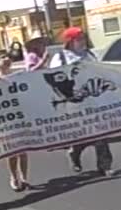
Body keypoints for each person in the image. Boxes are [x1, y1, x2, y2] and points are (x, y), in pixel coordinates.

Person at [49, 27, 115, 176]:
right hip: (74, 103)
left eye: (83, 38)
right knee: (81, 133)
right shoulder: (60, 57)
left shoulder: (90, 55)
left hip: (93, 99)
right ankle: (75, 153)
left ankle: (105, 165)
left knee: (101, 133)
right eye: (79, 39)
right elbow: (55, 79)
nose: (82, 41)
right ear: (70, 41)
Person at [0, 50, 29, 191]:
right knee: (12, 152)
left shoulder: (18, 75)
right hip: (5, 120)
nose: (6, 59)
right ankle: (13, 177)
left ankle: (24, 177)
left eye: (7, 57)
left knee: (23, 150)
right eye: (2, 58)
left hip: (20, 116)